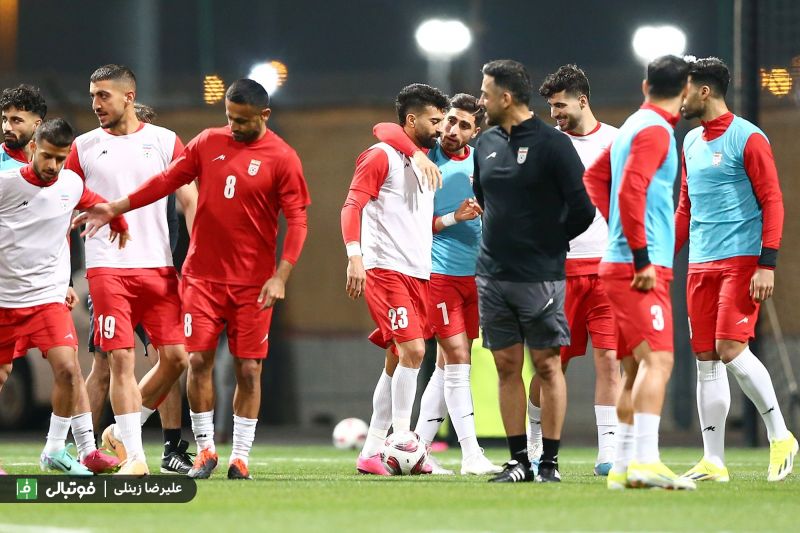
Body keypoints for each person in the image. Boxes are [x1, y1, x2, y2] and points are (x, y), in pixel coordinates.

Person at [75, 78, 311, 481]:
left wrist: (281, 274)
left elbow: (299, 220)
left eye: (243, 120)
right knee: (195, 361)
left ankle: (240, 456)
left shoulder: (283, 158)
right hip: (200, 278)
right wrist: (117, 206)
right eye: (230, 118)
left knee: (248, 370)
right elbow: (166, 182)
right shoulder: (207, 142)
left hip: (254, 284)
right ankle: (204, 450)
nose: (234, 126)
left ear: (265, 115)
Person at [64, 64, 190, 476]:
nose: (95, 104)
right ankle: (135, 457)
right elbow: (61, 207)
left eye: (103, 95)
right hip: (107, 268)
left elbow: (191, 199)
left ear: (129, 96)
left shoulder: (165, 141)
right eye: (92, 95)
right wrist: (60, 276)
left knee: (177, 359)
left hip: (159, 267)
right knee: (119, 359)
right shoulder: (83, 147)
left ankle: (120, 432)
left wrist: (196, 256)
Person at [474, 59, 595, 483]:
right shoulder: (485, 143)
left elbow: (583, 209)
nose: (481, 100)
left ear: (506, 98)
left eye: (486, 93)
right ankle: (519, 462)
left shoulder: (553, 144)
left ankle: (550, 463)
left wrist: (548, 243)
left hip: (541, 276)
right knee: (506, 367)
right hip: (492, 276)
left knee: (547, 366)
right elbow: (485, 198)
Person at [676, 57, 797, 482]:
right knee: (706, 359)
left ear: (704, 91)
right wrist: (661, 259)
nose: (679, 98)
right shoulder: (690, 141)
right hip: (699, 265)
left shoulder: (749, 137)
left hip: (741, 262)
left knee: (730, 349)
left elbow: (773, 201)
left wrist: (767, 263)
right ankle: (714, 460)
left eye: (684, 89)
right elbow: (685, 207)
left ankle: (781, 436)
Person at [372, 93, 502, 476]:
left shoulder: (481, 161)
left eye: (464, 125)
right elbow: (383, 128)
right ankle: (471, 455)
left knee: (447, 367)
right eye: (450, 120)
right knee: (457, 357)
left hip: (474, 275)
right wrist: (452, 216)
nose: (453, 130)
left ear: (476, 131)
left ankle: (419, 449)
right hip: (437, 273)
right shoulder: (425, 155)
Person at [584, 54, 695, 490]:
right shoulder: (655, 131)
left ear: (645, 86)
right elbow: (630, 189)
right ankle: (647, 461)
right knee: (659, 360)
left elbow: (595, 179)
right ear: (685, 91)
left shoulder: (632, 124)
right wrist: (641, 254)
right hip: (639, 269)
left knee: (634, 369)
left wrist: (620, 231)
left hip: (623, 262)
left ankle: (624, 466)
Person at [0, 85, 120, 474]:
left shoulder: (66, 179)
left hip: (45, 296)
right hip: (5, 295)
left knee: (69, 368)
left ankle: (71, 449)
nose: (7, 126)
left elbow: (75, 209)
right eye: (5, 119)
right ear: (36, 147)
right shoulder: (5, 175)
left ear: (37, 126)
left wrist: (115, 218)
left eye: (16, 119)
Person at [341, 83, 448, 476]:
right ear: (411, 120)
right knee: (415, 351)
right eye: (434, 121)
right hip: (386, 270)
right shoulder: (380, 155)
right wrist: (355, 257)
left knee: (396, 359)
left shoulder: (426, 158)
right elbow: (351, 205)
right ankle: (406, 443)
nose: (440, 129)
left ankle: (372, 451)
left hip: (418, 274)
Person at [532, 65, 620, 477]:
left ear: (582, 100)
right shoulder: (547, 145)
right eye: (551, 107)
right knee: (552, 364)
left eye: (560, 105)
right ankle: (535, 443)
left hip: (607, 269)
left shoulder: (617, 141)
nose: (555, 114)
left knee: (609, 359)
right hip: (558, 272)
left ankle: (609, 452)